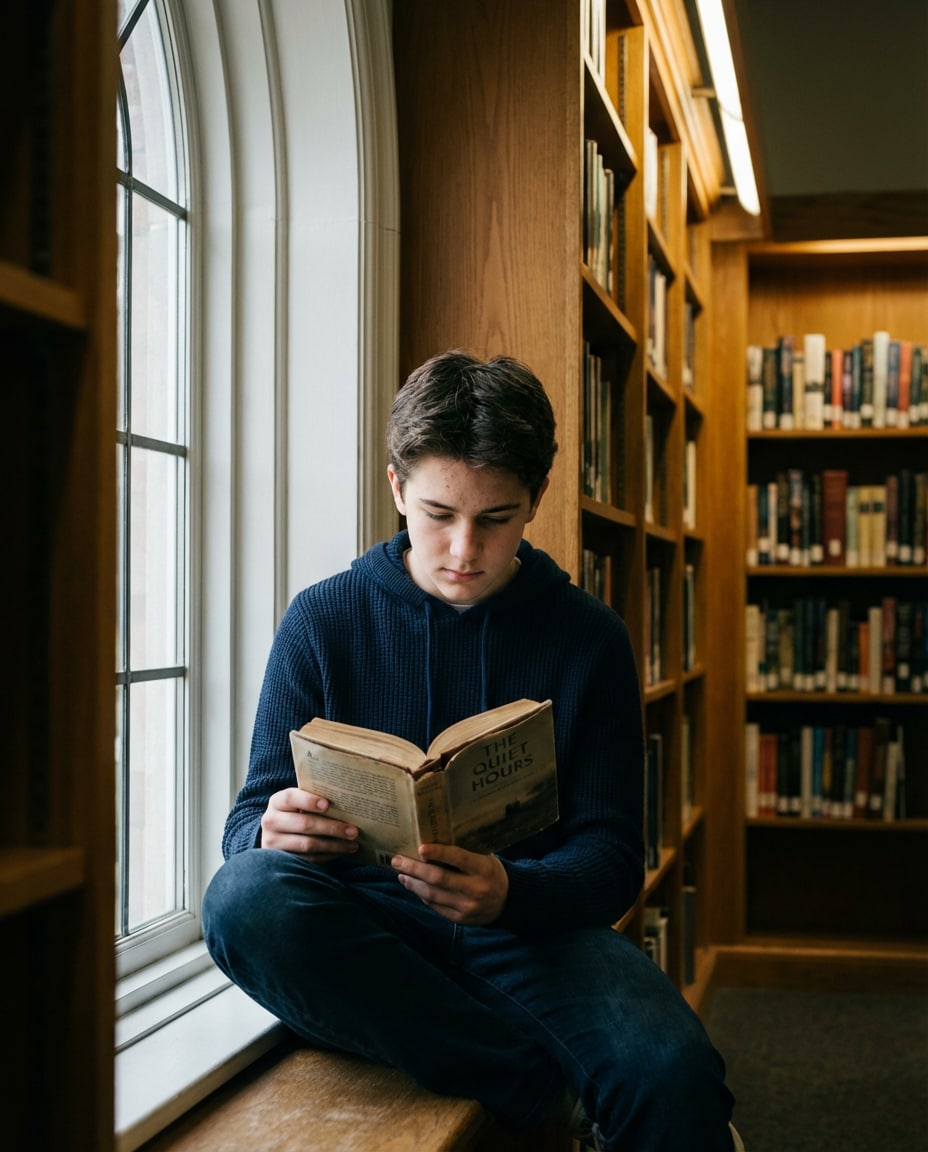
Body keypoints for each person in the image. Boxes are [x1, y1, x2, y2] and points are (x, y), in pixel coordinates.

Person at [203, 350, 739, 1151]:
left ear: (536, 501)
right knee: (242, 896)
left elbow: (614, 855)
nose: (462, 548)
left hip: (532, 929)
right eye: (436, 512)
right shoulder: (322, 619)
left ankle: (521, 1074)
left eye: (496, 518)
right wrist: (271, 830)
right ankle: (533, 1088)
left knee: (678, 1081)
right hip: (368, 920)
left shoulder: (588, 639)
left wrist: (509, 894)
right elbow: (250, 817)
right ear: (394, 487)